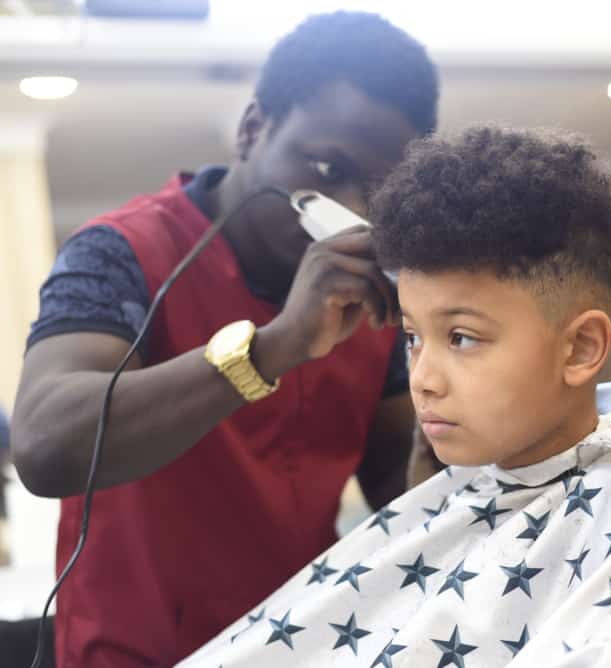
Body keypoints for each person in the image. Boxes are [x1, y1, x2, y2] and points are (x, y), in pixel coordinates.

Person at [179, 126, 611, 667]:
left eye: (462, 338)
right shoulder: (474, 487)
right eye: (413, 337)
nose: (423, 378)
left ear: (580, 348)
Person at [10, 11, 438, 666]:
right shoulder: (120, 252)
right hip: (130, 652)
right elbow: (45, 447)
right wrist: (275, 346)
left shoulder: (374, 288)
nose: (351, 209)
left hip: (293, 648)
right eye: (326, 166)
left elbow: (390, 476)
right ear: (252, 128)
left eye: (378, 191)